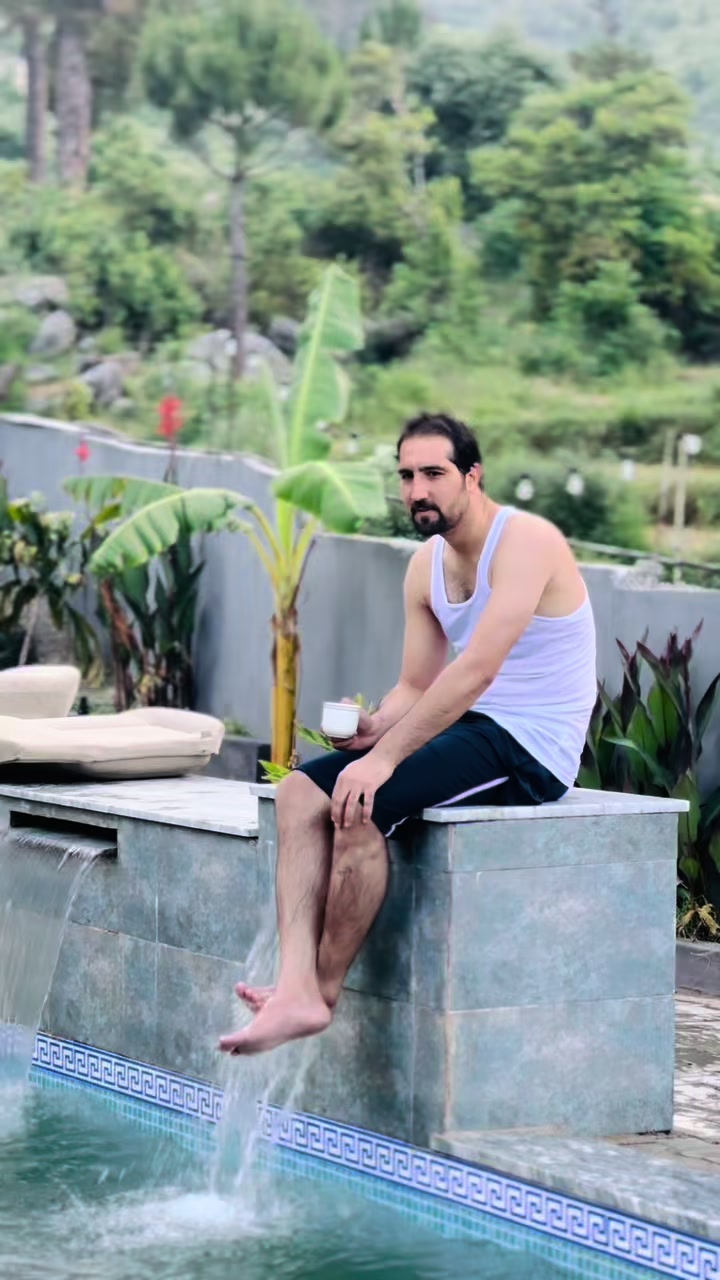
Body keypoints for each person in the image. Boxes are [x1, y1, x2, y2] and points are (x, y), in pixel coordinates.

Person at [218, 412, 597, 1056]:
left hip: (530, 745)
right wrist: (375, 728)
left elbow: (476, 671)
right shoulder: (425, 566)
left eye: (434, 474)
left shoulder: (526, 542)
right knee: (299, 794)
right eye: (406, 476)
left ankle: (320, 992)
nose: (417, 490)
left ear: (472, 476)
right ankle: (293, 984)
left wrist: (383, 760)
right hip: (471, 726)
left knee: (361, 802)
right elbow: (416, 686)